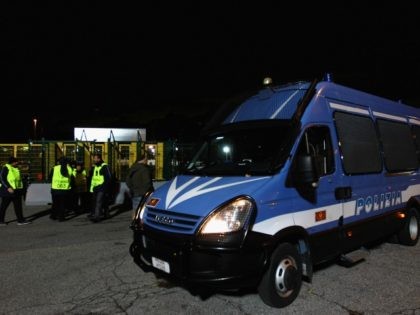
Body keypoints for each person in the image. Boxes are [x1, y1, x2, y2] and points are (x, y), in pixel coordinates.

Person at [0, 156, 32, 226]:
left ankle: (20, 220)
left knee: (18, 206)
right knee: (3, 206)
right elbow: (2, 178)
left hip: (17, 191)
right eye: (16, 162)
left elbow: (22, 166)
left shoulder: (15, 167)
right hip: (7, 191)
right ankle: (1, 221)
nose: (17, 163)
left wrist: (26, 162)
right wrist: (8, 187)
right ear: (13, 162)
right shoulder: (6, 168)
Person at [89, 153, 112, 222]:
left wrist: (103, 186)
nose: (94, 160)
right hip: (96, 187)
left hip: (102, 188)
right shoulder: (95, 166)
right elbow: (93, 177)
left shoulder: (104, 166)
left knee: (98, 202)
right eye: (94, 158)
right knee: (102, 201)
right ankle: (106, 214)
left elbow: (108, 178)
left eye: (95, 158)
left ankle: (97, 217)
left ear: (99, 159)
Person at [50, 157, 73, 221]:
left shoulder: (54, 168)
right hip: (65, 189)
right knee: (62, 204)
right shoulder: (69, 169)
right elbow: (72, 178)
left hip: (55, 189)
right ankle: (61, 217)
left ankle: (53, 215)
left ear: (59, 162)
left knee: (55, 203)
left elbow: (50, 178)